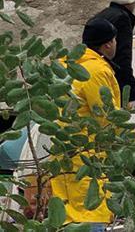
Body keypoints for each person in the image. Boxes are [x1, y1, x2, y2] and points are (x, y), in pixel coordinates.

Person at [51, 18, 121, 230]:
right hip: (88, 155)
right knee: (91, 211)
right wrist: (134, 146)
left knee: (67, 216)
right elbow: (106, 117)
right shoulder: (96, 71)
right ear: (107, 44)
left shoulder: (66, 67)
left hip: (63, 152)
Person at [94, 0, 135, 109]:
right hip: (112, 82)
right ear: (130, 0)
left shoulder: (100, 17)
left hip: (96, 77)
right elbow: (123, 58)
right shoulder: (122, 19)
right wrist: (131, 94)